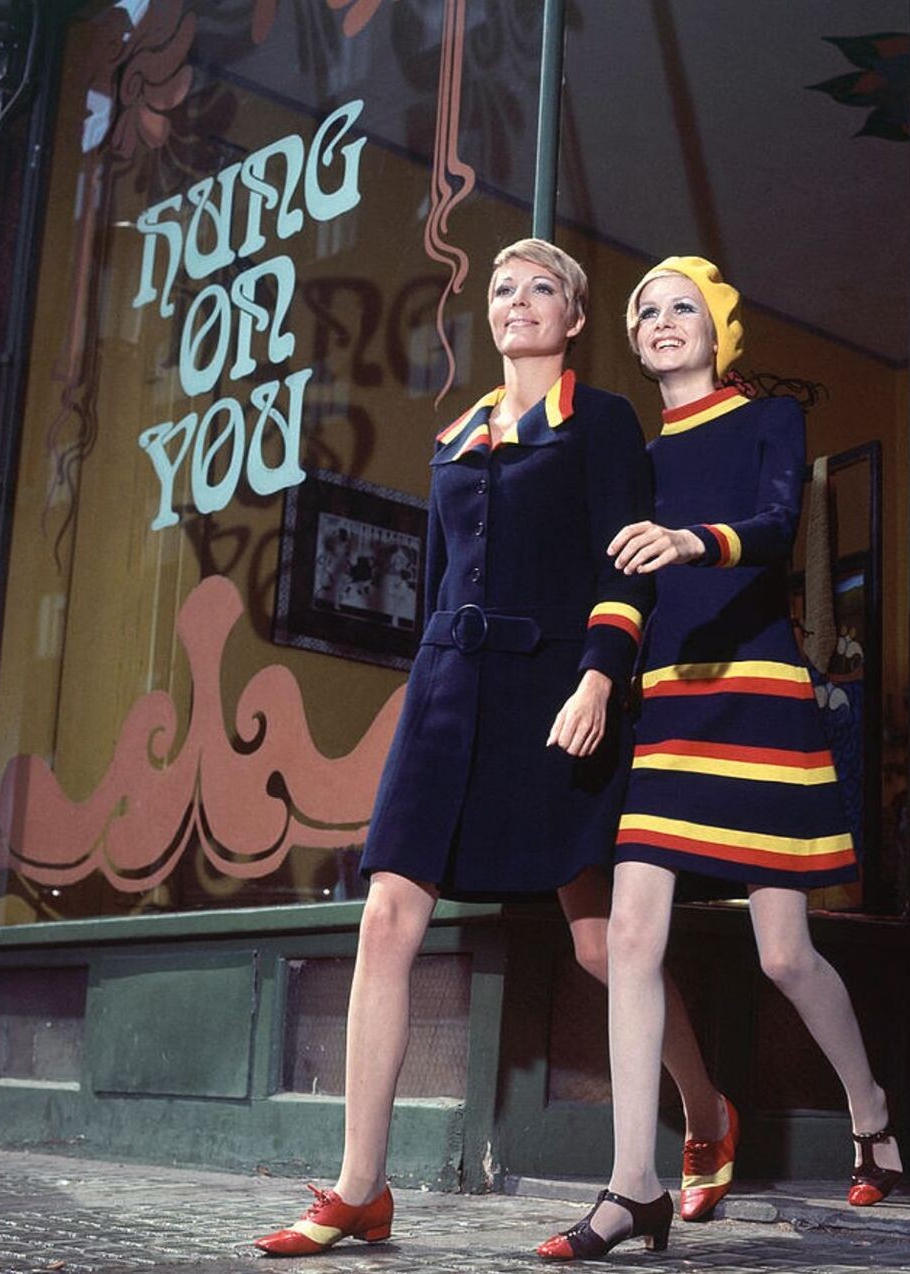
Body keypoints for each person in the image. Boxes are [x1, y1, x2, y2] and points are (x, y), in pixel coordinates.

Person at [254, 240, 729, 1257]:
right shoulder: (454, 437)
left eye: (541, 288)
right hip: (446, 695)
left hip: (557, 696)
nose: (518, 301)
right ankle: (361, 1188)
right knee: (387, 915)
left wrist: (600, 676)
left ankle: (706, 1110)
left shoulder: (602, 420)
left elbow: (626, 566)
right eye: (503, 288)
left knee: (598, 943)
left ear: (575, 317)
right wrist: (424, 690)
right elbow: (438, 582)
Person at [537, 257, 901, 1262]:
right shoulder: (641, 458)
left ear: (719, 328)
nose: (661, 320)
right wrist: (596, 675)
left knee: (784, 953)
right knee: (631, 936)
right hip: (667, 706)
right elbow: (621, 591)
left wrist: (692, 542)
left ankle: (872, 1113)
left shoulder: (769, 419)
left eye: (681, 306)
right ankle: (633, 1184)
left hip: (760, 697)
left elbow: (779, 526)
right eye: (645, 310)